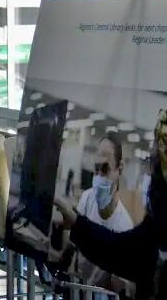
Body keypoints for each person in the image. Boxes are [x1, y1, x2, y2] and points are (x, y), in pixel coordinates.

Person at [54, 111, 167, 300]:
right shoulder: (155, 228)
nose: (98, 177)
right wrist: (75, 223)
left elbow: (121, 254)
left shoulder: (125, 223)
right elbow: (118, 250)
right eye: (96, 169)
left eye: (154, 165)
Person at [74, 133, 134, 296]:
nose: (99, 177)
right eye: (96, 169)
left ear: (119, 168)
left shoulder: (124, 227)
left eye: (105, 169)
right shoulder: (87, 198)